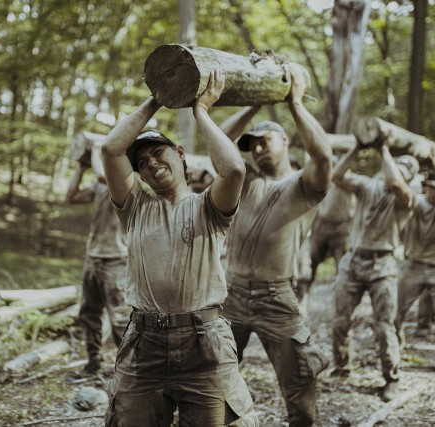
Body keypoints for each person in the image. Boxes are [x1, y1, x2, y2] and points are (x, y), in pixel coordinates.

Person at [101, 69, 258, 427]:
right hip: (143, 344)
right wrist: (159, 97)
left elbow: (233, 169)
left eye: (158, 153)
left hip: (204, 345)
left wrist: (200, 109)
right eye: (142, 163)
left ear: (180, 153)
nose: (151, 163)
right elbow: (111, 149)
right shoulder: (136, 208)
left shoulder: (209, 206)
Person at [220, 63, 332, 427]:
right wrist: (253, 103)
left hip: (276, 297)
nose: (257, 148)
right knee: (212, 373)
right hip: (231, 292)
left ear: (286, 142)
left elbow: (324, 156)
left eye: (265, 140)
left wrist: (296, 104)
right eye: (252, 145)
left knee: (299, 380)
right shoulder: (242, 180)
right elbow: (217, 141)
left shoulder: (304, 185)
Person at [330, 138, 416, 402]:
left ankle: (392, 378)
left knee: (384, 326)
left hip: (383, 264)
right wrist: (356, 148)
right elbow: (337, 176)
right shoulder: (367, 186)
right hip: (354, 260)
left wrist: (386, 150)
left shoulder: (405, 198)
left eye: (402, 168)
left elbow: (398, 185)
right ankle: (342, 365)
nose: (392, 170)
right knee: (340, 320)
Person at [66, 145, 131, 375]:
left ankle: (128, 369)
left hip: (116, 260)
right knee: (88, 313)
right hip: (93, 258)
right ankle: (93, 362)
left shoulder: (125, 181)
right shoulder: (99, 187)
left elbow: (103, 174)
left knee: (120, 318)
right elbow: (72, 196)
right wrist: (80, 167)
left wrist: (95, 149)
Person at [393, 157, 435, 376]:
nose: (434, 192)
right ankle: (394, 355)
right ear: (424, 188)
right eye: (429, 187)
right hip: (412, 265)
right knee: (393, 313)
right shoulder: (415, 202)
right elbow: (400, 190)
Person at [295, 158, 355, 316]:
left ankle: (343, 308)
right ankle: (302, 300)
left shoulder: (345, 180)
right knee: (310, 265)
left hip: (341, 228)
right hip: (321, 227)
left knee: (343, 269)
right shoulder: (320, 179)